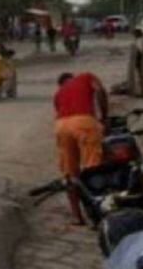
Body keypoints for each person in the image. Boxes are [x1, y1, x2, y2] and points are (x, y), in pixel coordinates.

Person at [53, 72, 109, 225]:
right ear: (72, 78)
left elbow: (59, 112)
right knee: (93, 168)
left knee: (70, 173)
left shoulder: (58, 93)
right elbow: (100, 90)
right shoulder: (86, 77)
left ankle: (77, 216)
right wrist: (104, 117)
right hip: (84, 122)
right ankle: (97, 216)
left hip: (61, 125)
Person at [131, 29, 143, 98]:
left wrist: (137, 63)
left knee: (140, 77)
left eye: (135, 34)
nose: (134, 35)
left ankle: (142, 92)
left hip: (140, 62)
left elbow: (140, 52)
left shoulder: (139, 41)